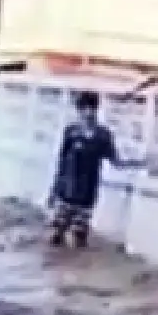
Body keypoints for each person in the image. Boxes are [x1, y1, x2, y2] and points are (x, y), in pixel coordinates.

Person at [49, 91, 119, 248]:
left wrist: (142, 163)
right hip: (66, 191)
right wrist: (53, 191)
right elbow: (61, 162)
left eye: (92, 108)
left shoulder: (103, 135)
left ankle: (76, 271)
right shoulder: (71, 132)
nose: (89, 113)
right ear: (79, 110)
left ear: (97, 110)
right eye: (85, 109)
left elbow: (115, 161)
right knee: (56, 236)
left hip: (87, 194)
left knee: (79, 238)